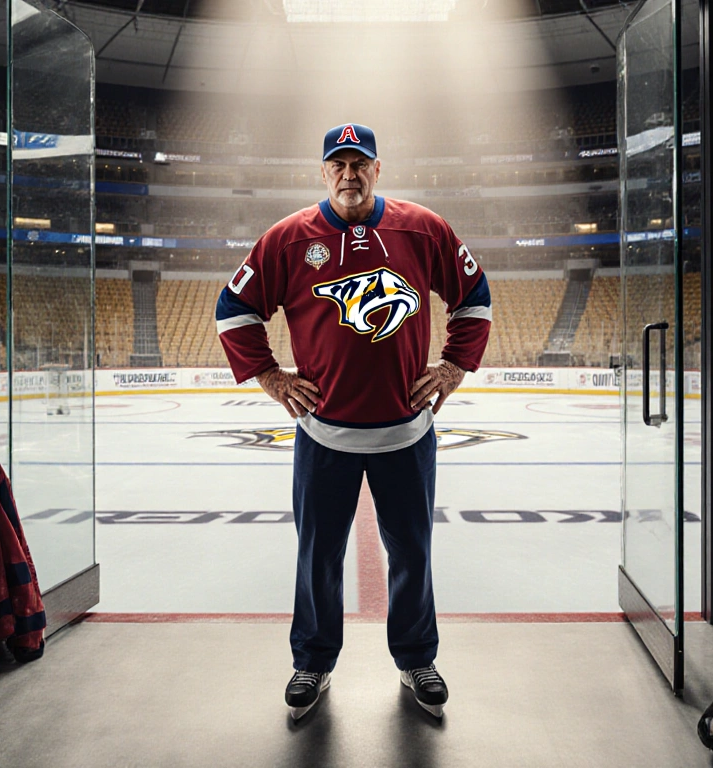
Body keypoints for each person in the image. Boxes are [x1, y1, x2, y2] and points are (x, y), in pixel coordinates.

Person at [214, 123, 492, 720]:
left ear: (377, 169)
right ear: (323, 172)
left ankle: (417, 659)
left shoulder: (423, 228)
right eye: (338, 165)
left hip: (406, 434)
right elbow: (234, 310)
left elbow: (475, 297)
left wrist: (452, 368)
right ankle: (312, 663)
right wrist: (272, 377)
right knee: (319, 556)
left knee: (412, 554)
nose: (349, 175)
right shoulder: (287, 239)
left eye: (359, 163)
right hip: (324, 436)